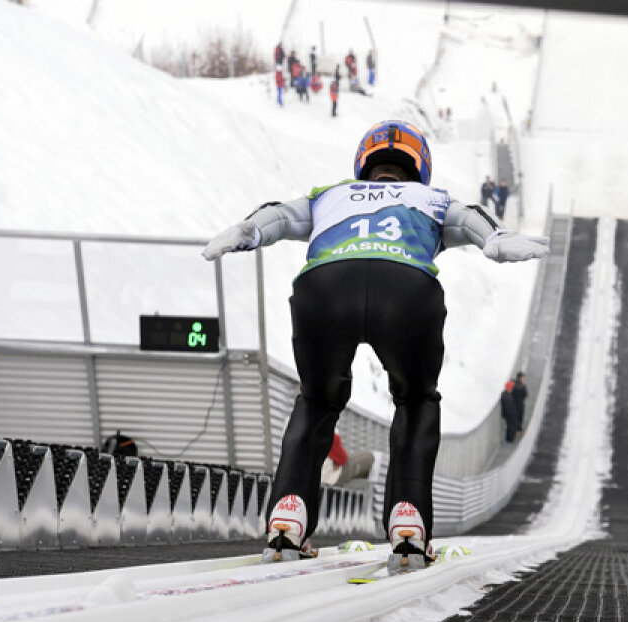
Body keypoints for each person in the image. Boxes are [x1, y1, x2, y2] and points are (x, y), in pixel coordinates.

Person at [202, 120, 549, 569]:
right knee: (416, 399)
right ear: (419, 166)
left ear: (363, 165)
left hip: (325, 287)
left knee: (317, 400)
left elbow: (279, 216)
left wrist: (247, 229)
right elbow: (472, 219)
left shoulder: (330, 195)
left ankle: (288, 514)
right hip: (405, 288)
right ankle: (408, 519)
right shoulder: (432, 198)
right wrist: (496, 238)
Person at [511, 371, 528, 437]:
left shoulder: (513, 383)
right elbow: (525, 394)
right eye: (523, 378)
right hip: (520, 404)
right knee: (519, 417)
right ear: (520, 378)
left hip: (512, 404)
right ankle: (518, 431)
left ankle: (514, 431)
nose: (524, 379)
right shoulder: (522, 385)